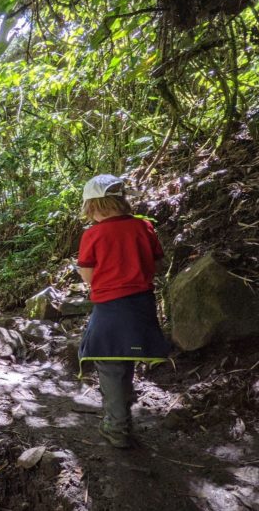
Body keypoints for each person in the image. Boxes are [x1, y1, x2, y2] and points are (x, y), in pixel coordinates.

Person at [76, 174, 170, 449]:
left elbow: (88, 276)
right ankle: (124, 407)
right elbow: (156, 263)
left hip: (110, 307)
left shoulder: (92, 234)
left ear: (93, 205)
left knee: (110, 363)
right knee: (127, 354)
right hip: (142, 305)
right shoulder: (144, 227)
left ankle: (117, 427)